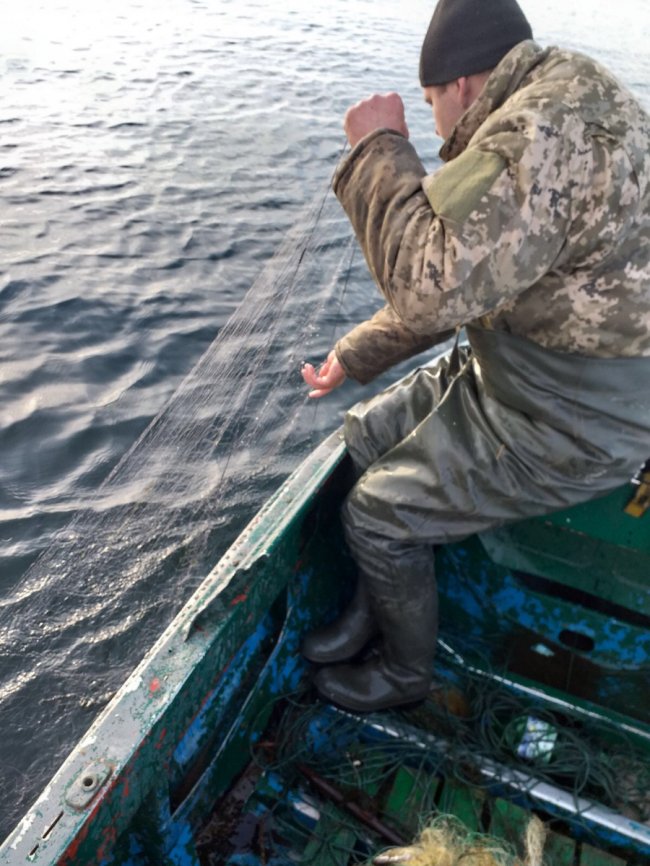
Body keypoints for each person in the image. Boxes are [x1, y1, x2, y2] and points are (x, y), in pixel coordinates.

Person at [300, 0, 650, 712]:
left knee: (375, 515)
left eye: (430, 103)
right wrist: (353, 355)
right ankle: (373, 610)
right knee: (366, 435)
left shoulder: (533, 136)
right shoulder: (559, 91)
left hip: (577, 418)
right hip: (519, 369)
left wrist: (377, 148)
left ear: (459, 84)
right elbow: (470, 281)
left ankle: (405, 675)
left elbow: (430, 292)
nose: (435, 128)